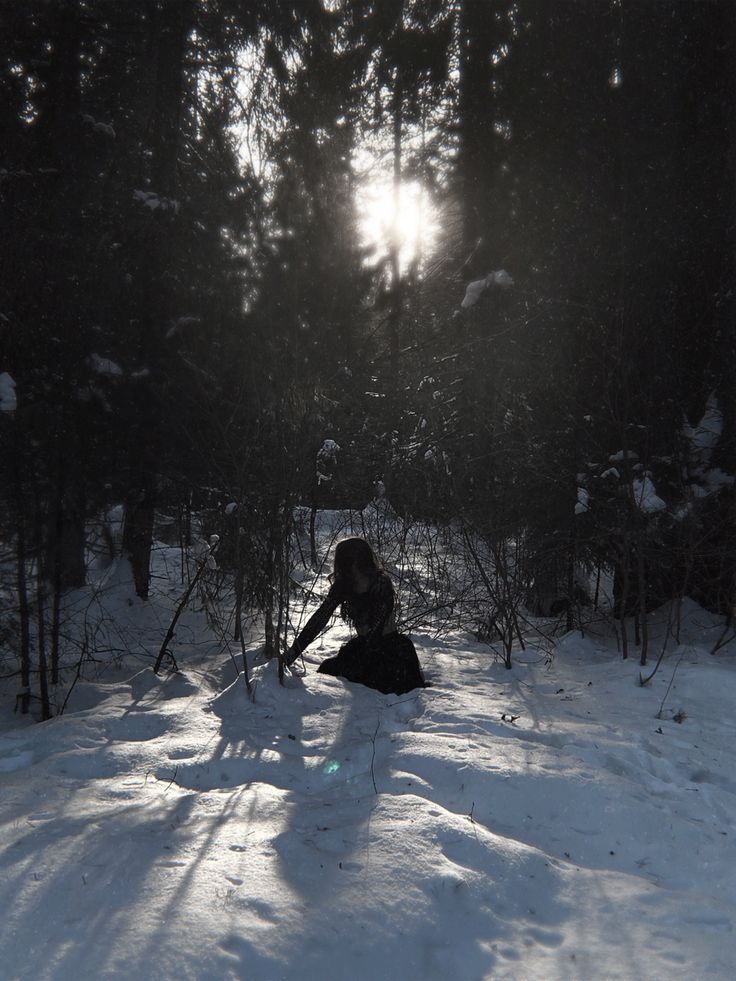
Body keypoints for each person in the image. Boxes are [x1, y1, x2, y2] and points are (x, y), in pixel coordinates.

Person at [285, 537, 425, 696]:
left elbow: (376, 631)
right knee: (327, 669)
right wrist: (291, 655)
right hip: (363, 647)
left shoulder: (381, 584)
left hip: (390, 650)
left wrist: (359, 661)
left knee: (380, 681)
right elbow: (318, 620)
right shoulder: (344, 585)